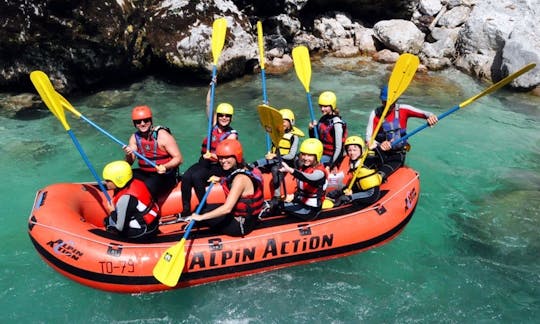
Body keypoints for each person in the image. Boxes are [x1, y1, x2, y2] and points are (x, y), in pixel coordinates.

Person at [180, 81, 238, 217]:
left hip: (219, 165)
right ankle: (186, 209)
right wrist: (211, 87)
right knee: (187, 176)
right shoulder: (213, 125)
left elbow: (228, 158)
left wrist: (212, 157)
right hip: (205, 162)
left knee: (197, 177)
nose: (224, 118)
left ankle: (203, 208)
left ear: (231, 118)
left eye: (227, 116)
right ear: (217, 116)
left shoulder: (232, 135)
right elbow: (208, 104)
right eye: (221, 115)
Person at [185, 139, 264, 237]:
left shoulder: (240, 179)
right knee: (203, 208)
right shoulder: (248, 169)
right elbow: (233, 181)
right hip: (248, 218)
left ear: (237, 156)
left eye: (227, 157)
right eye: (221, 158)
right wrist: (220, 179)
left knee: (202, 212)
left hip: (240, 225)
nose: (223, 161)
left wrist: (201, 217)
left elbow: (227, 208)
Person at [365, 85, 438, 180]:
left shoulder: (404, 109)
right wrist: (380, 145)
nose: (388, 104)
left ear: (396, 99)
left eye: (390, 101)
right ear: (381, 100)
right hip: (380, 152)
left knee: (380, 176)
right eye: (385, 101)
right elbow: (368, 138)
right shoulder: (375, 113)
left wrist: (431, 117)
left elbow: (426, 114)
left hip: (397, 154)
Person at [123, 105, 183, 199]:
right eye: (138, 122)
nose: (142, 124)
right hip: (146, 173)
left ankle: (148, 208)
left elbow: (179, 159)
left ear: (151, 121)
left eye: (146, 120)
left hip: (165, 175)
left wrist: (164, 166)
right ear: (134, 124)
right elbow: (129, 163)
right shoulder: (134, 138)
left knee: (149, 185)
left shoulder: (162, 135)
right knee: (124, 176)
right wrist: (128, 154)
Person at [250, 108, 304, 204]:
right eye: (280, 121)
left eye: (285, 121)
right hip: (275, 159)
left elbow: (291, 155)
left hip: (287, 162)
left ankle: (277, 196)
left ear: (291, 122)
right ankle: (252, 191)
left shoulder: (293, 137)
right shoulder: (276, 134)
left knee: (275, 169)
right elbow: (272, 145)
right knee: (255, 165)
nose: (282, 123)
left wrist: (275, 156)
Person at [102, 160, 160, 239]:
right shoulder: (137, 181)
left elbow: (120, 227)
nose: (105, 182)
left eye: (108, 181)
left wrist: (112, 212)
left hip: (144, 232)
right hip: (153, 224)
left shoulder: (125, 199)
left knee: (108, 223)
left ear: (119, 180)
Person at [278, 138, 328, 221]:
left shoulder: (320, 173)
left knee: (279, 206)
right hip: (300, 201)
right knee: (275, 202)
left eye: (310, 155)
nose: (305, 158)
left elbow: (309, 178)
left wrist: (290, 170)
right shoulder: (304, 166)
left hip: (310, 210)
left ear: (317, 155)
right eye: (304, 154)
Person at [326, 136, 381, 207]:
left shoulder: (367, 160)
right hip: (360, 188)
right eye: (349, 150)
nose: (352, 153)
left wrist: (376, 148)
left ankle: (335, 208)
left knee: (343, 198)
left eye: (355, 150)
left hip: (370, 193)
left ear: (361, 150)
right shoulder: (353, 162)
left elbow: (380, 161)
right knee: (337, 192)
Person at [308, 91, 347, 169]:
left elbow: (339, 148)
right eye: (321, 106)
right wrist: (311, 130)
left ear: (332, 106)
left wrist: (331, 165)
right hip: (321, 153)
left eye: (325, 106)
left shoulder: (337, 124)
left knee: (312, 163)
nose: (322, 109)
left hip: (332, 156)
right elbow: (315, 140)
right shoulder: (323, 119)